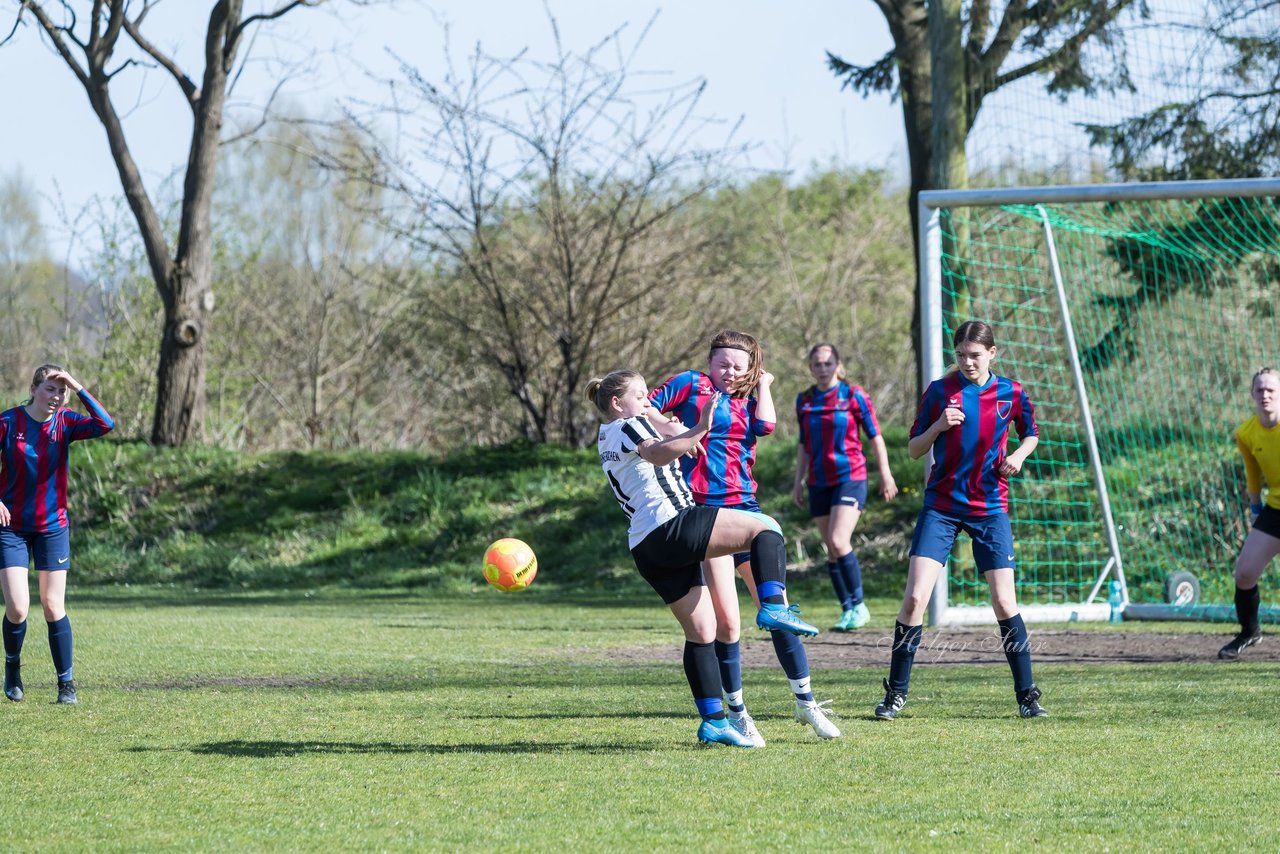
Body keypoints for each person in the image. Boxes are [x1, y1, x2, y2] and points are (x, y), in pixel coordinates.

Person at [586, 370, 814, 748]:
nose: (647, 401)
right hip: (673, 524)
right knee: (766, 527)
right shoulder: (629, 424)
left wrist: (679, 431)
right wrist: (699, 428)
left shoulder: (608, 434)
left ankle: (714, 722)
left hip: (646, 548)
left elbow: (660, 434)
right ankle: (773, 605)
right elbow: (656, 454)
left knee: (703, 632)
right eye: (640, 395)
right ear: (616, 402)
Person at [649, 330, 839, 744]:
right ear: (710, 362)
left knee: (779, 612)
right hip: (704, 516)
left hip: (745, 511)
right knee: (728, 624)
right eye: (723, 364)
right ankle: (737, 714)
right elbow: (644, 408)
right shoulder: (689, 385)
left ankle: (806, 703)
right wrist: (676, 428)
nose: (730, 372)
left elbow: (767, 426)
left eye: (739, 366)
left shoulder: (750, 400)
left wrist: (765, 384)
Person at [874, 320, 1047, 720]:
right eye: (962, 355)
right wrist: (938, 425)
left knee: (1004, 600)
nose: (968, 362)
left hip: (989, 506)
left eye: (975, 355)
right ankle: (895, 693)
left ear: (992, 353)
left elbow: (1031, 434)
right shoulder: (940, 391)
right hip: (942, 506)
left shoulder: (1011, 392)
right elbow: (915, 449)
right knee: (916, 597)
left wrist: (1018, 457)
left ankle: (1027, 695)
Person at [0, 365, 114, 705]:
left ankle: (66, 684)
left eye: (60, 391)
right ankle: (12, 668)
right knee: (18, 609)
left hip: (52, 527)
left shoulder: (65, 423)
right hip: (12, 528)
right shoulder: (8, 423)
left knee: (53, 605)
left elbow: (105, 424)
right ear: (34, 389)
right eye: (50, 388)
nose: (56, 396)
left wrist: (77, 385)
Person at [794, 343, 898, 631]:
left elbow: (875, 437)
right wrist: (797, 482)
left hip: (850, 477)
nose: (823, 368)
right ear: (811, 368)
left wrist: (886, 475)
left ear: (838, 366)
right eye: (817, 364)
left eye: (828, 363)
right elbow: (803, 444)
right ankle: (847, 610)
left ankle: (860, 605)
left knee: (839, 540)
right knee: (830, 548)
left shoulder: (854, 395)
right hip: (818, 480)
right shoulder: (804, 400)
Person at [1219, 367, 1280, 660]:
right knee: (1244, 574)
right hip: (1275, 509)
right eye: (1260, 390)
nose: (1265, 395)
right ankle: (1250, 632)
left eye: (1271, 390)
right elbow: (1252, 475)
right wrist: (1256, 511)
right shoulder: (1246, 432)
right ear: (1252, 394)